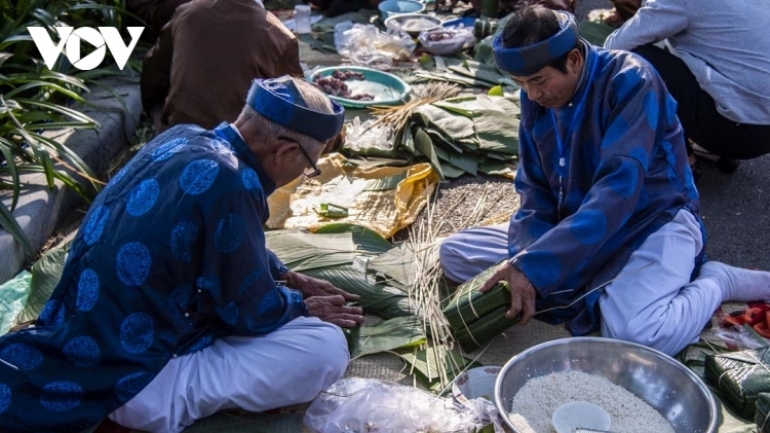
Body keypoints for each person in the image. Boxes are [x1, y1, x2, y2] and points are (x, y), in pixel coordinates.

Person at [0, 76, 364, 433]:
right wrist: (300, 304)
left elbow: (215, 243)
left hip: (84, 332)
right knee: (325, 349)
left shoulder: (184, 137)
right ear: (285, 153)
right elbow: (251, 313)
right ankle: (166, 402)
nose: (304, 175)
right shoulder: (232, 184)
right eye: (309, 169)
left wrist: (283, 274)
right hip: (133, 375)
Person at [438, 6, 770, 357]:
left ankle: (719, 280)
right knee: (455, 255)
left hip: (650, 223)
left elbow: (618, 192)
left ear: (575, 59)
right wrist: (526, 259)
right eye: (521, 84)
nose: (532, 95)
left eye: (537, 81)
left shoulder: (632, 81)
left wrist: (537, 266)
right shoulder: (537, 97)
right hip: (578, 225)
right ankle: (596, 284)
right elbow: (534, 190)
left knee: (636, 337)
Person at [603, 0, 770, 176]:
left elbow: (613, 48)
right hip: (762, 129)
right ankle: (715, 150)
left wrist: (636, 19)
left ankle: (681, 157)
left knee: (635, 59)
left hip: (738, 131)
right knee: (686, 49)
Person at [141, 0, 304, 135]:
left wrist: (156, 115)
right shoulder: (280, 36)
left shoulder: (186, 12)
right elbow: (299, 108)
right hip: (238, 145)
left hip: (179, 135)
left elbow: (152, 71)